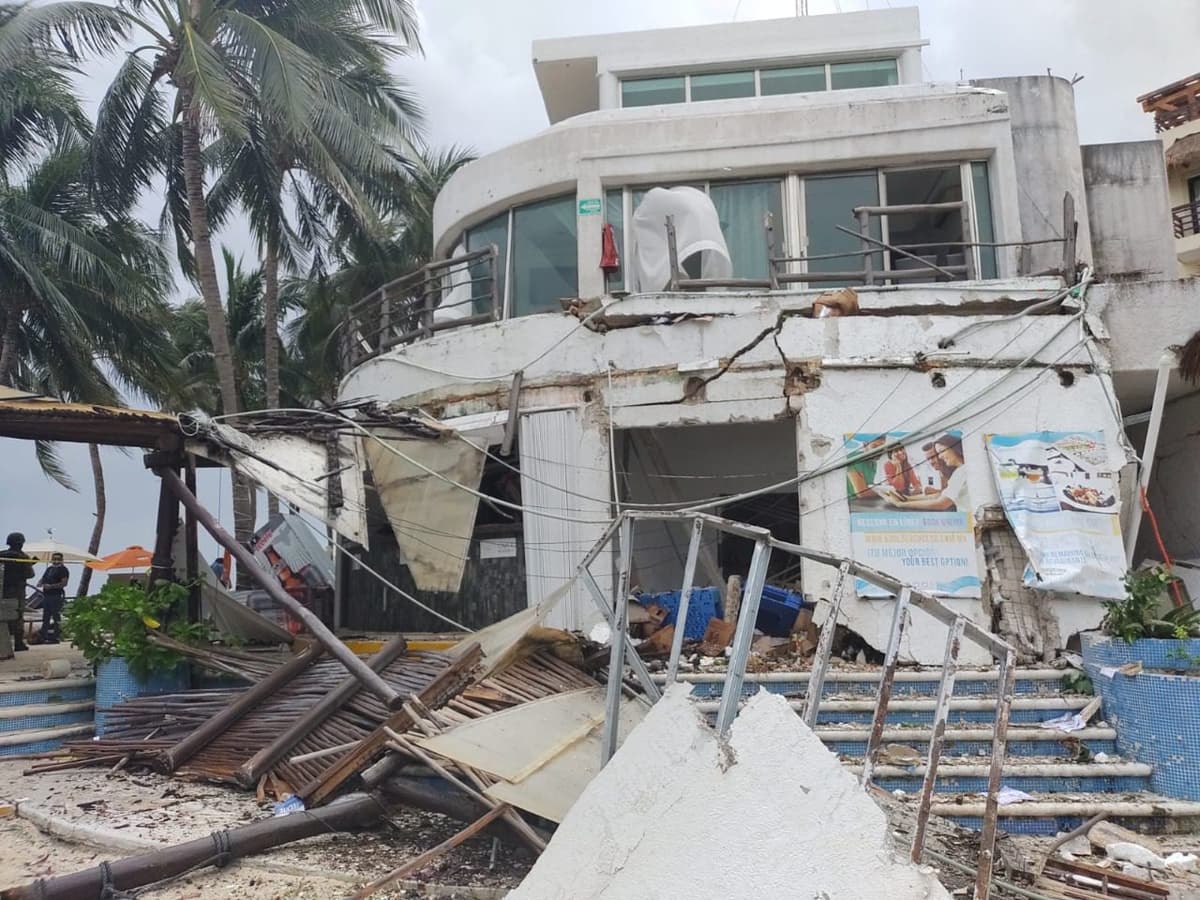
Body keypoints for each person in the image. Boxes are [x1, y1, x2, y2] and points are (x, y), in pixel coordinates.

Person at [886, 434, 969, 513]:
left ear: (954, 448)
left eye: (941, 451)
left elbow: (941, 503)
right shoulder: (960, 471)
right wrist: (907, 498)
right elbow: (940, 495)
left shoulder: (961, 472)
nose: (940, 456)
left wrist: (900, 504)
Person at [0, 533, 35, 653]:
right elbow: (30, 574)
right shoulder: (23, 557)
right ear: (21, 543)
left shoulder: (1, 554)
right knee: (18, 616)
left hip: (2, 590)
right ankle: (18, 643)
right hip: (17, 591)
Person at [36, 552, 69, 644]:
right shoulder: (49, 569)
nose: (56, 561)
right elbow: (43, 578)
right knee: (45, 617)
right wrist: (40, 583)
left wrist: (51, 586)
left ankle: (56, 636)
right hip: (46, 595)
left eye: (58, 559)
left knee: (56, 617)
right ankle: (43, 636)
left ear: (62, 560)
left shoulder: (63, 570)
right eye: (54, 559)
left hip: (56, 595)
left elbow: (64, 583)